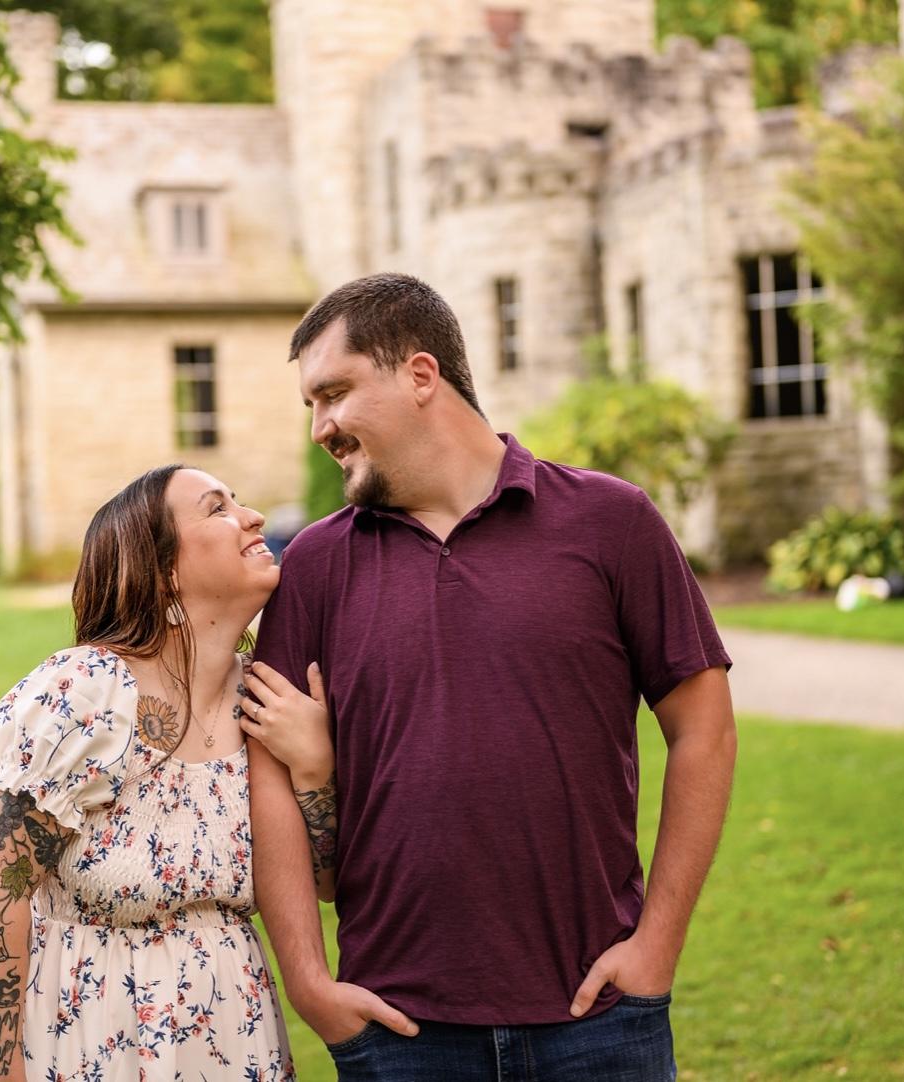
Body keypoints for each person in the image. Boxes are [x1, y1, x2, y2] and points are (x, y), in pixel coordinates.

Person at [246, 273, 737, 1081]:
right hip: (399, 1032)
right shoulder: (316, 566)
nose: (319, 428)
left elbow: (704, 728)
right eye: (310, 404)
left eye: (333, 393)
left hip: (600, 1022)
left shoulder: (611, 521)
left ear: (420, 374)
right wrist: (307, 980)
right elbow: (266, 773)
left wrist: (657, 945)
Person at [0, 465, 336, 1082]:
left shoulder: (266, 702)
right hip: (88, 1036)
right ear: (163, 571)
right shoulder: (84, 693)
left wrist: (315, 767)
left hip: (231, 1036)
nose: (253, 518)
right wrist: (4, 1074)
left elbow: (325, 883)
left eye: (239, 502)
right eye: (217, 508)